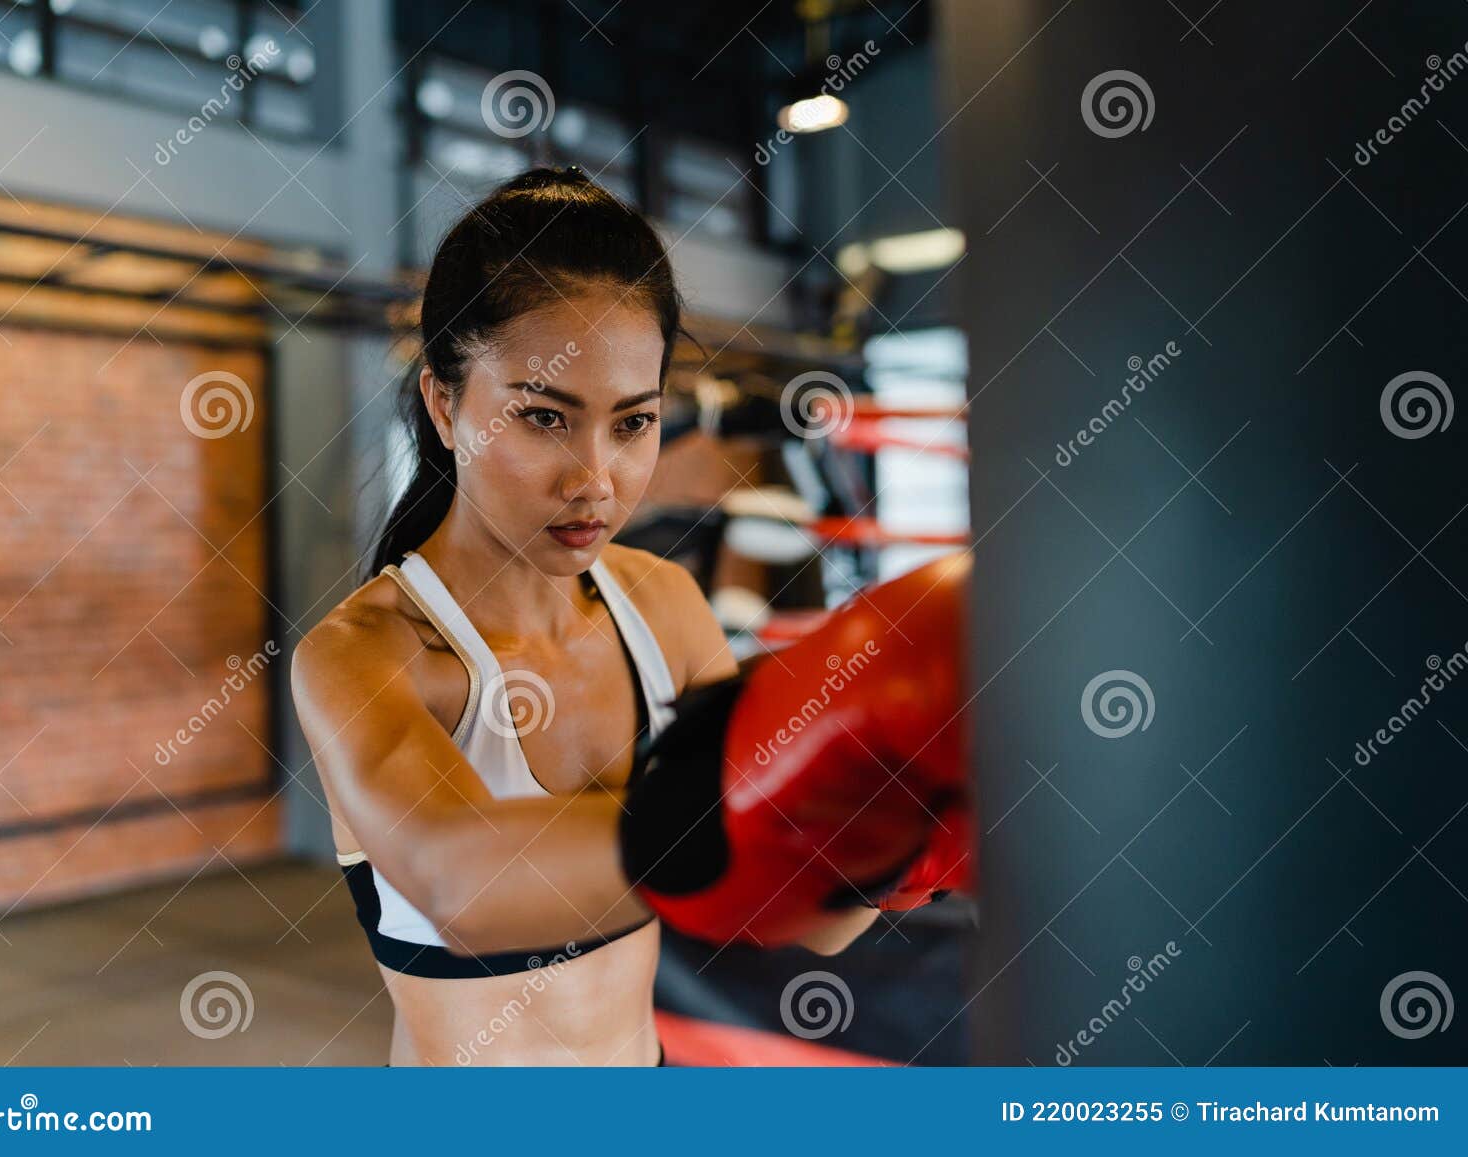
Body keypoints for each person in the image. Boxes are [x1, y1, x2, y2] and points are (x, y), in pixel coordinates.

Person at [291, 167, 967, 1068]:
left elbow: (789, 912)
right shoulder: (366, 654)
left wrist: (886, 842)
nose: (596, 479)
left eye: (633, 422)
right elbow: (460, 884)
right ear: (446, 405)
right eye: (544, 416)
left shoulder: (662, 608)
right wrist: (745, 810)